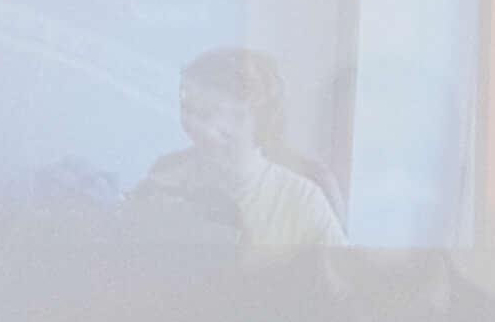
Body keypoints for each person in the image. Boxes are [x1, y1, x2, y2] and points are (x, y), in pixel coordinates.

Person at [128, 47, 345, 251]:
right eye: (187, 108)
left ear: (255, 118)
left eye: (206, 113)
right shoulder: (164, 179)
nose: (191, 124)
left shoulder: (304, 200)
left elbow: (342, 284)